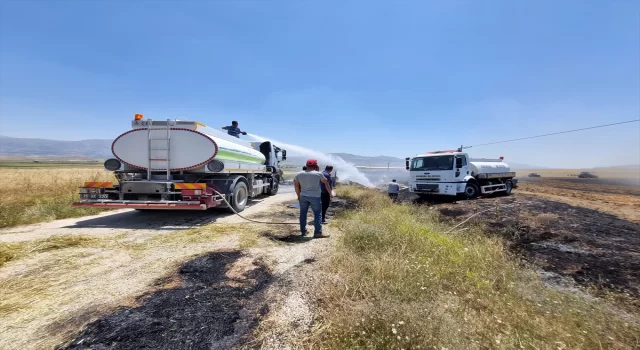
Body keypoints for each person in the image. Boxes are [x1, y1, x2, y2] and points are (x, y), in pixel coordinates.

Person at [294, 159, 332, 238]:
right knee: (318, 214)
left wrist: (298, 195)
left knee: (303, 214)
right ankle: (318, 232)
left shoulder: (299, 174)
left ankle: (303, 231)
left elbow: (296, 186)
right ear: (315, 166)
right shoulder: (319, 174)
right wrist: (330, 193)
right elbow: (326, 183)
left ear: (306, 165)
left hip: (303, 196)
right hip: (315, 197)